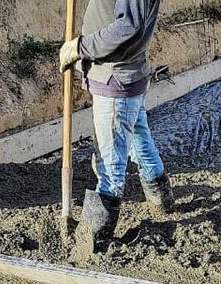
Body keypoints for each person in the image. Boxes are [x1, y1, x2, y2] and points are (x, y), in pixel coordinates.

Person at [58, 0, 174, 237]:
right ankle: (161, 199)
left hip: (116, 78)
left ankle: (94, 236)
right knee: (139, 139)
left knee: (109, 164)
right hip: (128, 74)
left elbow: (128, 26)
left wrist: (81, 47)